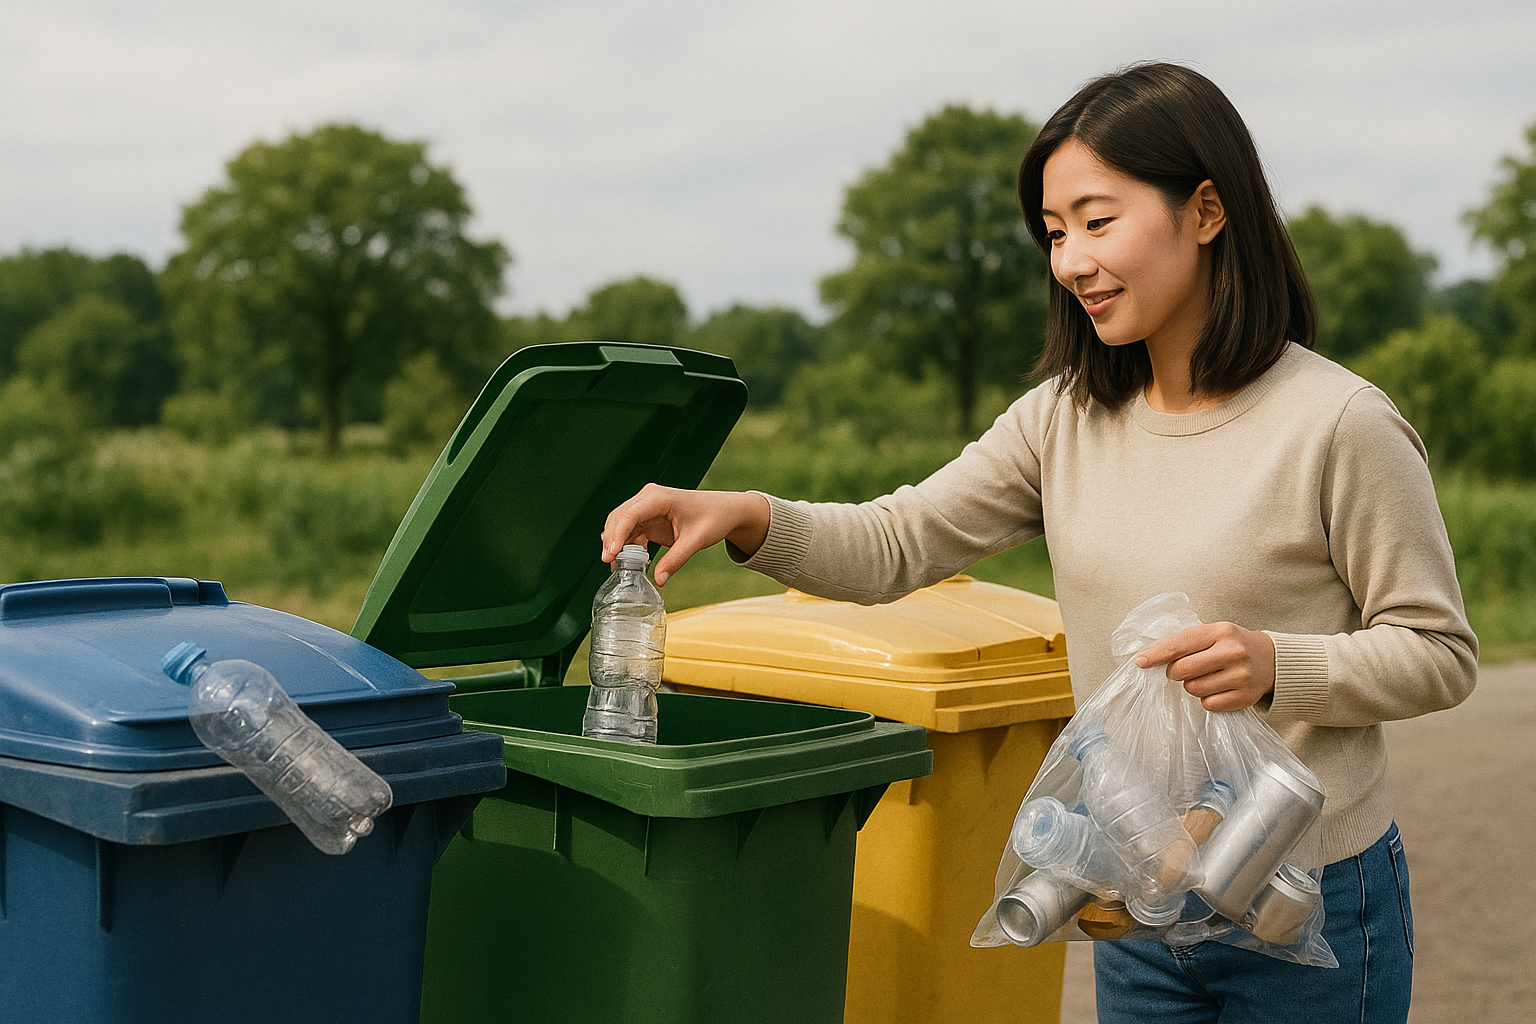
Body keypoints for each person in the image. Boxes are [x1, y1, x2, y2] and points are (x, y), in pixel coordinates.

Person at [600, 62, 1476, 1024]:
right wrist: (751, 516)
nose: (1070, 262)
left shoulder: (1339, 424)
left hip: (1308, 901)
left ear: (1209, 210)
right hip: (1136, 897)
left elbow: (1437, 652)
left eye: (1098, 222)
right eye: (1055, 235)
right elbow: (898, 541)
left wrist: (1279, 665)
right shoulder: (1062, 420)